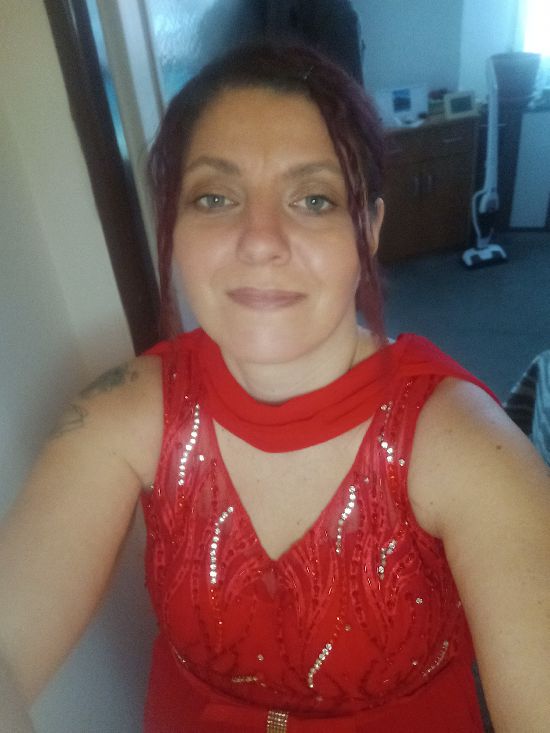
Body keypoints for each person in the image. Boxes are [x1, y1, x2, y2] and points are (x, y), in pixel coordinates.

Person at [1, 43, 549, 733]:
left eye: (314, 199)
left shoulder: (467, 446)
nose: (260, 240)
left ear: (370, 228)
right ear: (174, 225)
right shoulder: (124, 410)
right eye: (215, 197)